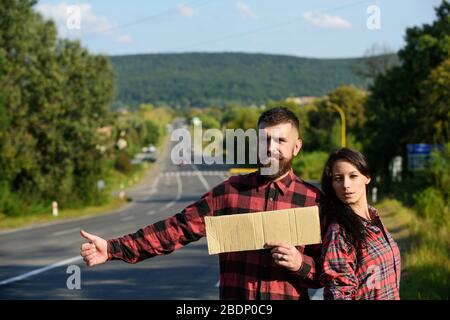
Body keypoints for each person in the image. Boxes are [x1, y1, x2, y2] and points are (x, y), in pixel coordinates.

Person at [80, 107, 323, 300]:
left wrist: (300, 264)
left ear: (297, 146)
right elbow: (177, 229)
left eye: (280, 141)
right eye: (265, 140)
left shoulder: (313, 201)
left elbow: (330, 272)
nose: (271, 148)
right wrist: (113, 249)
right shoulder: (231, 191)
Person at [319, 148, 401, 300]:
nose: (346, 185)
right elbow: (338, 293)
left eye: (353, 176)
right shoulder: (340, 232)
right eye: (338, 178)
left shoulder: (374, 219)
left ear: (367, 177)